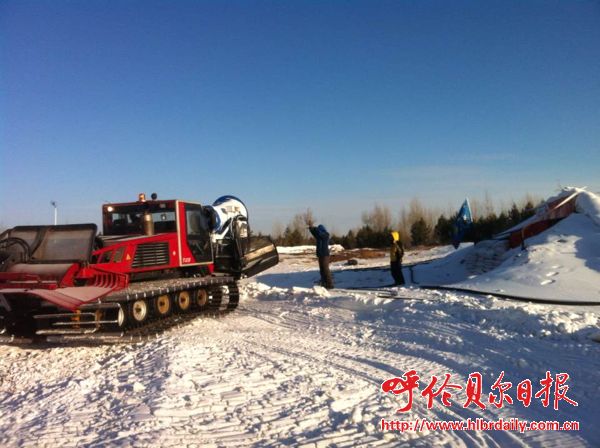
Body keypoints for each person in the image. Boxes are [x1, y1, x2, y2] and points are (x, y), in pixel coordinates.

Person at [309, 224, 334, 289]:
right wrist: (311, 228)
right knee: (322, 270)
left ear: (321, 229)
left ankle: (329, 284)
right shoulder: (319, 236)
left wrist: (315, 229)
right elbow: (315, 234)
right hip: (320, 255)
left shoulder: (326, 235)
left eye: (319, 229)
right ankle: (324, 282)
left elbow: (319, 234)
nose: (318, 231)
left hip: (325, 255)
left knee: (326, 269)